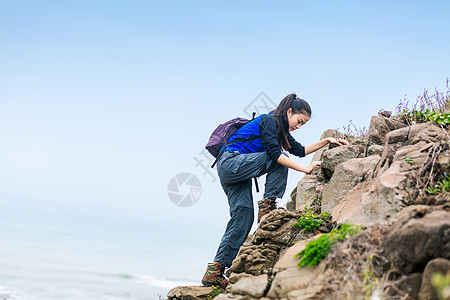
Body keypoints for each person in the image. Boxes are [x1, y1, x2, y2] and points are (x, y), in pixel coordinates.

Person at [201, 94, 348, 288]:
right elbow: (275, 155)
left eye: (303, 124)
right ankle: (268, 206)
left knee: (243, 216)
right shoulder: (268, 120)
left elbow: (300, 150)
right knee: (278, 158)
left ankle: (215, 270)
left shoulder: (280, 131)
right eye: (299, 121)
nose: (299, 126)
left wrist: (327, 140)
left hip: (234, 171)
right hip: (230, 162)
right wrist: (305, 169)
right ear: (289, 112)